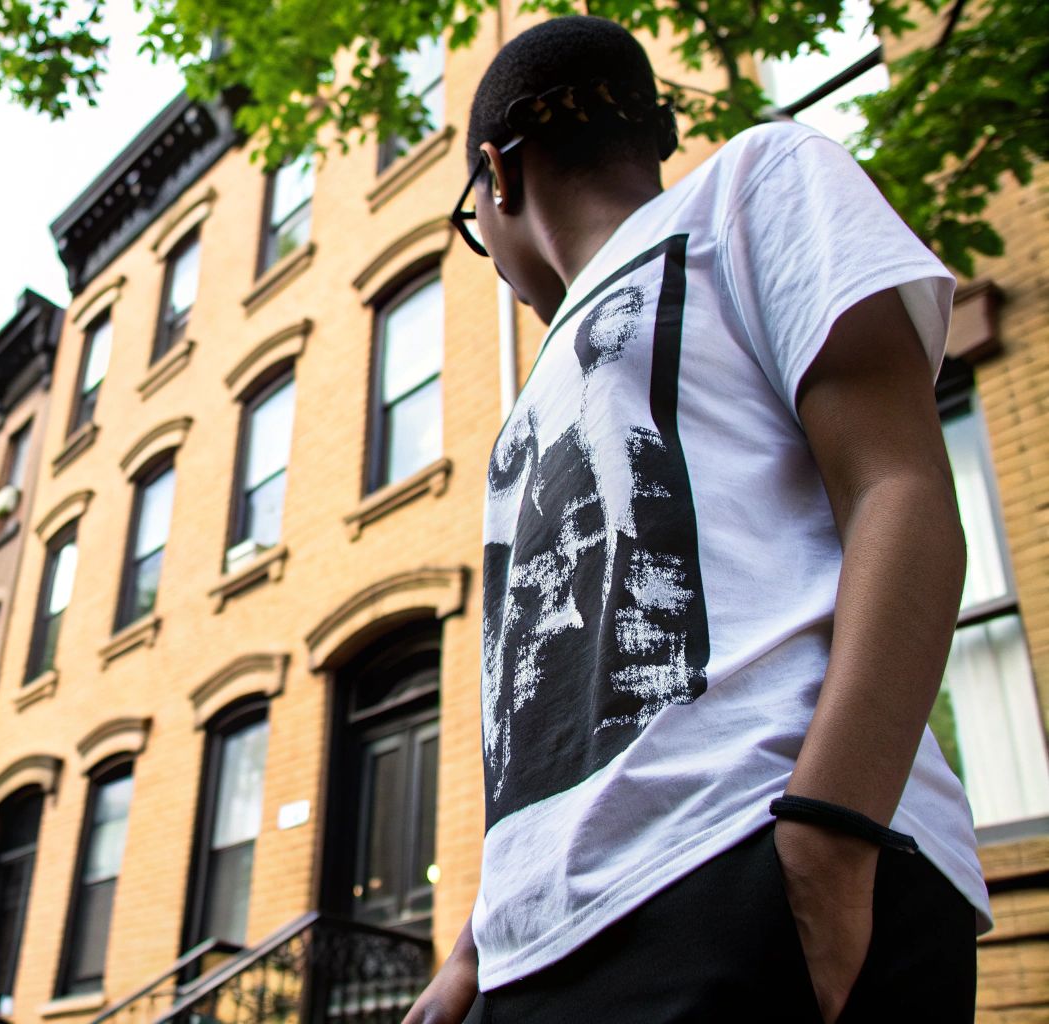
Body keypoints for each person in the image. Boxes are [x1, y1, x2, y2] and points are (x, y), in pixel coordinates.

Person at [403, 15, 991, 1024]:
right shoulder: (536, 391)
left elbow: (898, 489)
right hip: (541, 945)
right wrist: (472, 947)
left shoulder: (753, 182)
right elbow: (544, 708)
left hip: (747, 858)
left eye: (470, 228)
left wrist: (828, 830)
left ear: (497, 178)